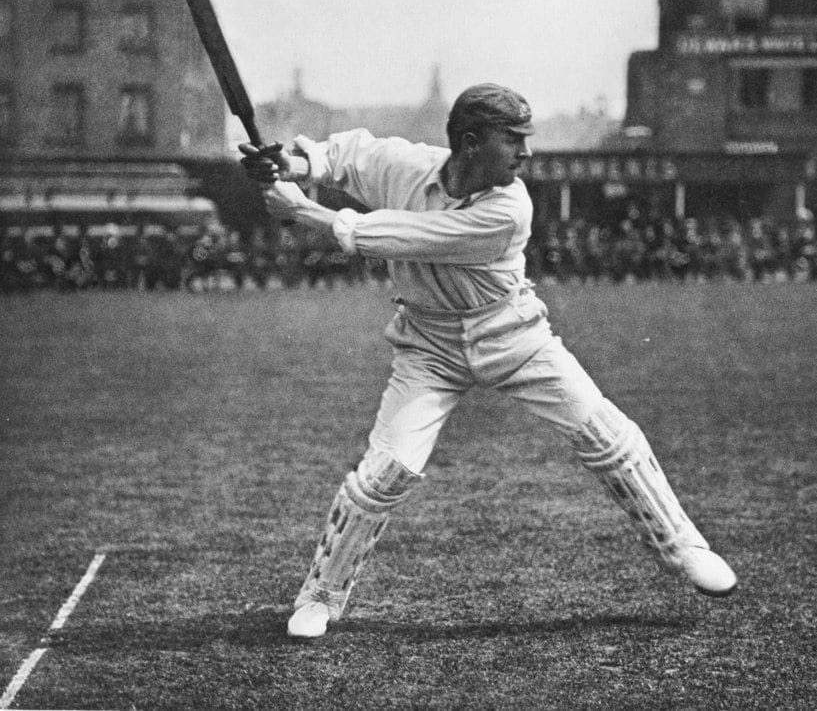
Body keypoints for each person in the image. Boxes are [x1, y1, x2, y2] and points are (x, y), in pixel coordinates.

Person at [239, 83, 737, 640]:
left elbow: (404, 236)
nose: (526, 153)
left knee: (605, 434)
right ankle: (321, 596)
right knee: (383, 475)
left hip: (513, 335)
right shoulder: (407, 166)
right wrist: (296, 162)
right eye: (515, 140)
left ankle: (684, 546)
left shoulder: (509, 207)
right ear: (471, 143)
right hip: (428, 345)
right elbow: (345, 156)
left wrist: (304, 210)